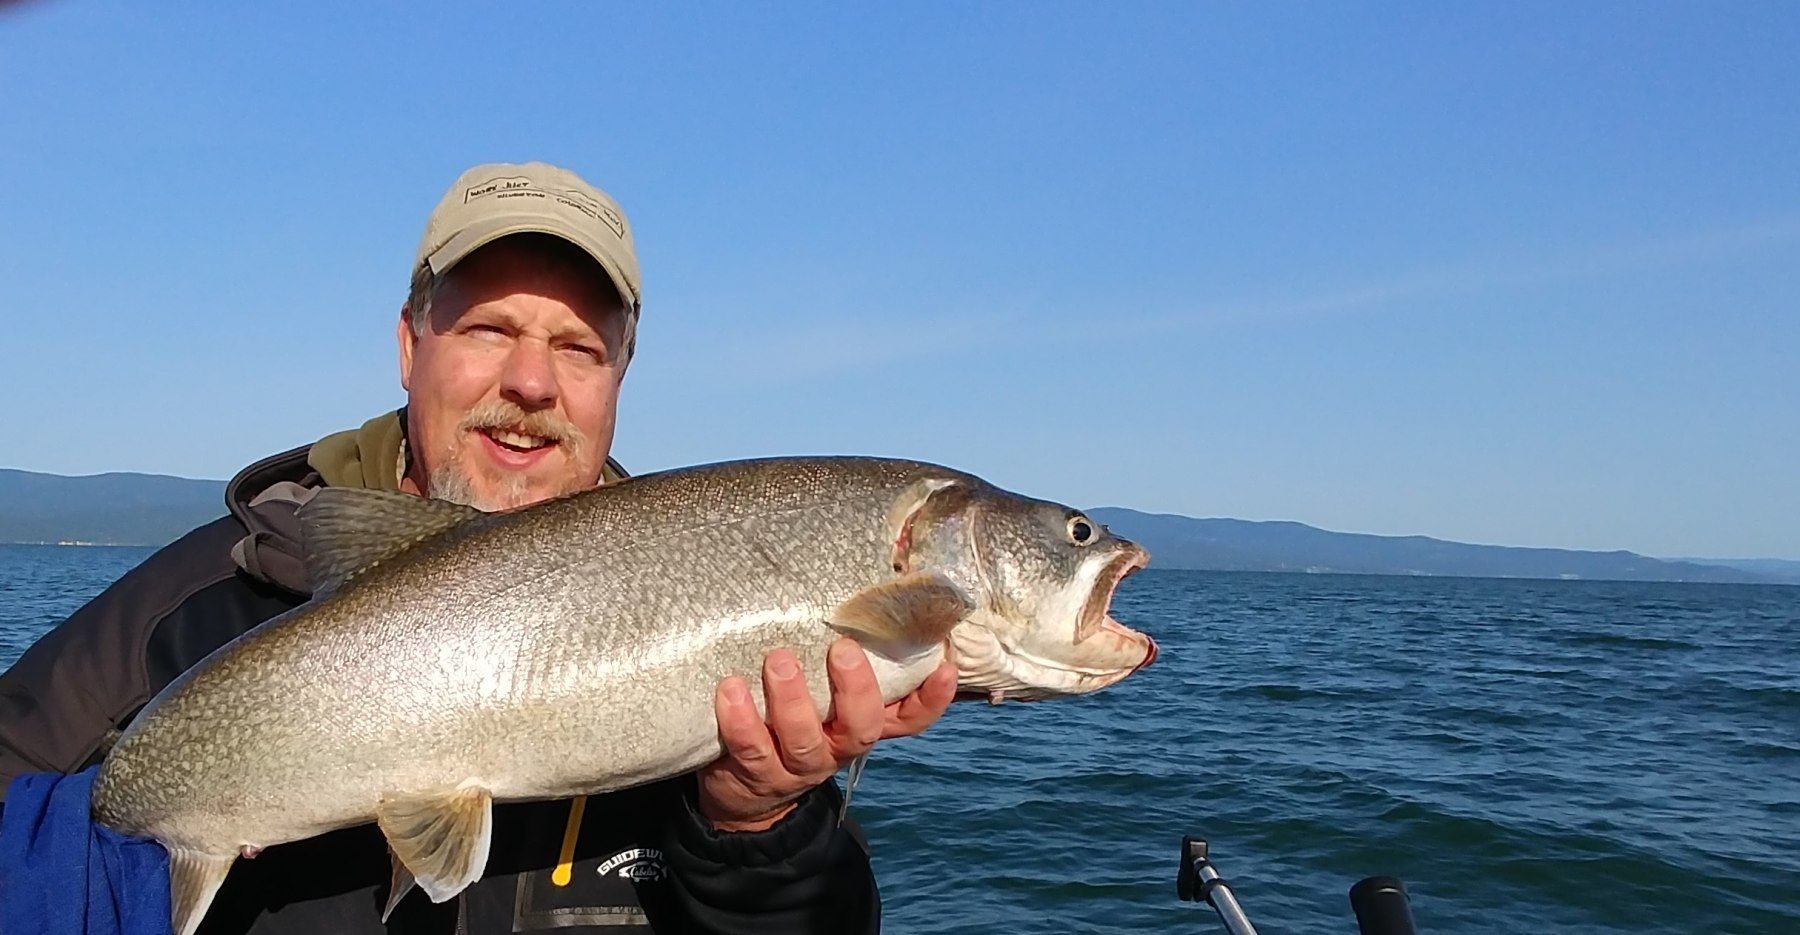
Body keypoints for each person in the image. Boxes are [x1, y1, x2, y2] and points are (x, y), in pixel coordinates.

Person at [0, 162, 957, 934]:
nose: (533, 380)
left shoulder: (712, 621)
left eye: (580, 346)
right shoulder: (209, 595)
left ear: (620, 376)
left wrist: (758, 822)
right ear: (411, 346)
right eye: (489, 328)